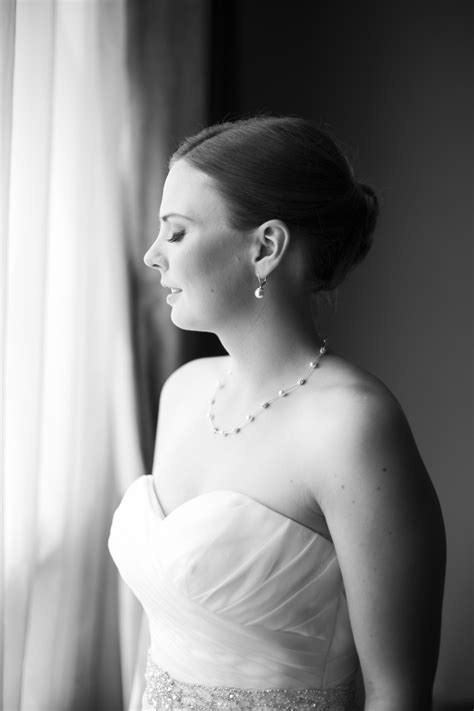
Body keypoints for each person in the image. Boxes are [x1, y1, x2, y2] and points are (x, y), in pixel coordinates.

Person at [108, 116, 446, 710]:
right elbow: (161, 628)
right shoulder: (183, 392)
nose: (152, 255)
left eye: (177, 232)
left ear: (265, 247)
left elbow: (396, 692)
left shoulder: (352, 427)